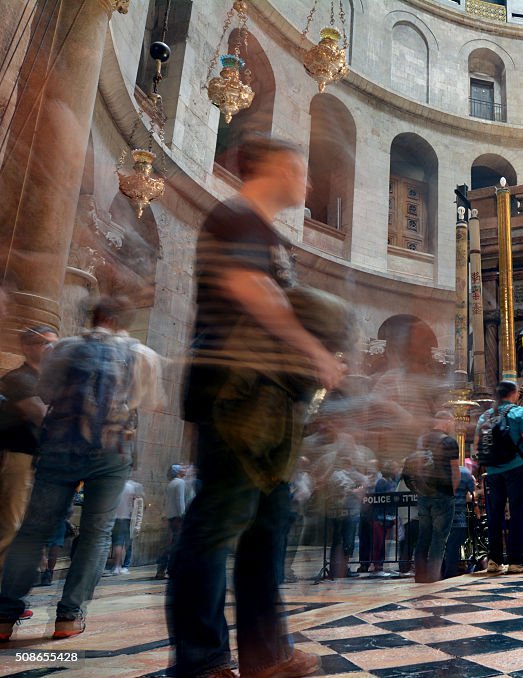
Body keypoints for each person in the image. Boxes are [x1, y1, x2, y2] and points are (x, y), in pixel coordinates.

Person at [169, 135, 346, 678]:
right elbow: (251, 289)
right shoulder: (238, 216)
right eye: (301, 170)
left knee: (267, 526)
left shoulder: (262, 229)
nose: (308, 181)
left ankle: (267, 656)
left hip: (265, 400)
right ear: (275, 167)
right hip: (235, 395)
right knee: (219, 521)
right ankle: (200, 662)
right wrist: (314, 349)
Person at [0, 297, 161, 641]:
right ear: (124, 323)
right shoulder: (143, 354)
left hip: (60, 445)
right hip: (111, 451)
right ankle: (68, 618)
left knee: (33, 531)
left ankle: (3, 617)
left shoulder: (64, 348)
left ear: (93, 318)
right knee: (96, 533)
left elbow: (45, 391)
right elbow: (149, 402)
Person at [0, 326, 58, 579]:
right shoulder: (18, 378)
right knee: (11, 527)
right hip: (17, 457)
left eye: (55, 343)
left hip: (38, 462)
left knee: (25, 527)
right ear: (27, 346)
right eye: (44, 342)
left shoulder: (49, 382)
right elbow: (41, 416)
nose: (51, 348)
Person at [474, 380, 523, 574]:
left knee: (494, 515)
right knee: (517, 514)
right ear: (513, 393)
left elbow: (477, 446)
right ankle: (516, 561)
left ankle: (494, 560)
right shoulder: (518, 412)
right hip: (516, 468)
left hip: (492, 472)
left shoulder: (485, 415)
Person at [409, 411, 461, 583]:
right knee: (439, 538)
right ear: (446, 421)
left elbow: (415, 466)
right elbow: (455, 471)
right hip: (443, 494)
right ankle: (433, 577)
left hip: (424, 493)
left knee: (423, 535)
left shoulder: (422, 440)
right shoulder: (449, 441)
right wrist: (452, 492)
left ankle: (420, 575)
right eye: (452, 422)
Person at [154, 465, 191, 580]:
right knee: (175, 545)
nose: (185, 469)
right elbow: (179, 499)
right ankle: (165, 569)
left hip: (171, 516)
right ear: (178, 472)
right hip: (177, 517)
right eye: (182, 468)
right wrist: (182, 515)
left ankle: (165, 569)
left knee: (173, 544)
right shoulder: (180, 482)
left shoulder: (171, 483)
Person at [443, 464, 476, 579]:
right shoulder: (465, 472)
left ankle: (435, 572)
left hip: (439, 515)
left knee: (438, 545)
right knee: (453, 546)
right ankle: (449, 573)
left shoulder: (437, 471)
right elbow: (472, 492)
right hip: (458, 516)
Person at [108, 477, 144, 576]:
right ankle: (117, 565)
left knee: (128, 544)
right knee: (118, 543)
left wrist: (138, 525)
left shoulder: (139, 500)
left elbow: (139, 514)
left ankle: (125, 566)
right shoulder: (122, 494)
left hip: (130, 522)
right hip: (120, 520)